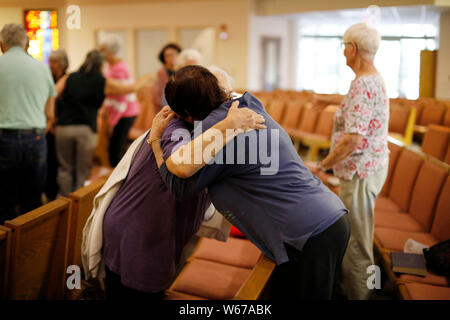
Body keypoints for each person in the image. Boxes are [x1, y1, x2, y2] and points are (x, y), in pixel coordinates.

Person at [149, 65, 351, 299]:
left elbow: (179, 186)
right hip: (326, 217)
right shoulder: (247, 104)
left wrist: (156, 139)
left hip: (307, 233)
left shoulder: (218, 132)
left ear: (186, 113)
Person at [81, 81, 265, 300]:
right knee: (133, 292)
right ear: (193, 111)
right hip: (140, 233)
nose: (222, 109)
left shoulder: (199, 129)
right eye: (218, 105)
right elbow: (179, 175)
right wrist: (228, 125)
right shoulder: (176, 129)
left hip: (144, 229)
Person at [313, 23, 389, 300]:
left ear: (353, 49)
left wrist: (323, 165)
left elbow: (352, 141)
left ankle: (363, 295)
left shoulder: (362, 84)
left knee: (357, 243)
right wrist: (327, 99)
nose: (343, 51)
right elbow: (358, 104)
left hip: (359, 172)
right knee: (360, 238)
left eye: (344, 45)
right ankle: (366, 290)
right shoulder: (370, 79)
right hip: (370, 169)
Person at [54, 49, 152, 196]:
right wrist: (146, 77)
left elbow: (53, 93)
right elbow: (129, 89)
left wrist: (53, 118)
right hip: (86, 130)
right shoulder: (102, 82)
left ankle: (62, 204)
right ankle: (77, 204)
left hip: (63, 128)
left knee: (64, 169)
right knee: (83, 170)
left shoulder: (69, 77)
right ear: (101, 65)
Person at [0, 23, 56, 223]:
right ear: (26, 44)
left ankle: (5, 250)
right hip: (36, 136)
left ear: (1, 44)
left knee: (4, 198)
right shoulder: (42, 68)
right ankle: (30, 250)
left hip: (3, 137)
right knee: (32, 199)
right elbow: (50, 114)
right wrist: (39, 132)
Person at [99, 34, 140, 167]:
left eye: (103, 50)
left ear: (110, 51)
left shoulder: (120, 68)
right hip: (118, 113)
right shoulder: (111, 66)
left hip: (124, 113)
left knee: (115, 150)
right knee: (115, 147)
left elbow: (122, 97)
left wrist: (112, 121)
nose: (101, 53)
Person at [45, 49, 70, 201]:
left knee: (59, 162)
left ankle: (58, 195)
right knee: (50, 161)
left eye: (54, 62)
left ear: (62, 63)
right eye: (50, 61)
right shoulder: (48, 77)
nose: (51, 65)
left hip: (61, 125)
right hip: (49, 125)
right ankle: (50, 194)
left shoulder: (68, 79)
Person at [152, 43, 182, 112]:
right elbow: (158, 96)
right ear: (164, 58)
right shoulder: (161, 73)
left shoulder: (182, 70)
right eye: (168, 55)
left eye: (174, 54)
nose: (172, 57)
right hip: (168, 109)